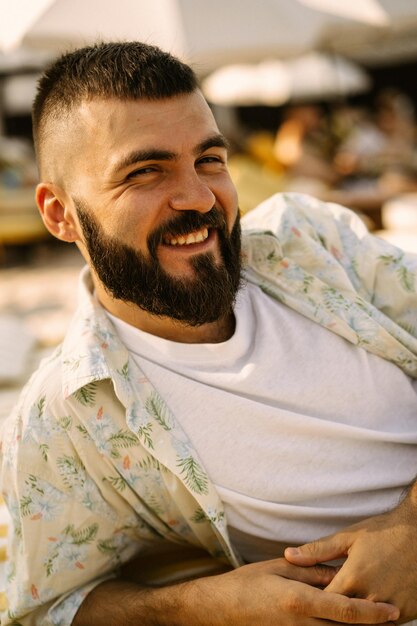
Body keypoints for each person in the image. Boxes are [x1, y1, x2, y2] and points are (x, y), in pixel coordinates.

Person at [0, 41, 416, 626]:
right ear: (59, 213)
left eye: (210, 159)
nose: (199, 198)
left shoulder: (313, 243)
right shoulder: (65, 418)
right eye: (145, 172)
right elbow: (45, 610)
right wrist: (203, 605)